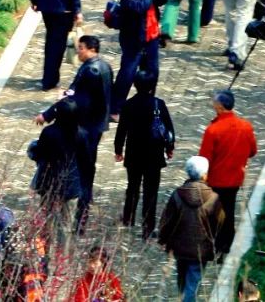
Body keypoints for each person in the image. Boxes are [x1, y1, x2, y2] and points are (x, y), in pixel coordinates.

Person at [39, 34, 112, 229]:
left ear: (91, 49)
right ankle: (82, 214)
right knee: (87, 169)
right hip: (96, 125)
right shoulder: (104, 67)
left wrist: (50, 112)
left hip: (87, 127)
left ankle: (80, 216)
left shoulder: (91, 71)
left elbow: (77, 98)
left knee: (83, 172)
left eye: (80, 48)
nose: (77, 51)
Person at [114, 77, 174, 237]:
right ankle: (148, 226)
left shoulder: (128, 105)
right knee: (151, 191)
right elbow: (168, 128)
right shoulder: (158, 104)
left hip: (134, 154)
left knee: (132, 187)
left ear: (135, 85)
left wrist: (118, 150)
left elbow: (121, 130)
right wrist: (169, 148)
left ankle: (128, 218)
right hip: (154, 155)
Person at [157, 156, 222, 302]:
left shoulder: (177, 195)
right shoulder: (213, 198)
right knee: (192, 284)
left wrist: (163, 240)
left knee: (182, 280)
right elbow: (220, 224)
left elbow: (167, 221)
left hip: (179, 247)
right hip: (201, 249)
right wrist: (219, 246)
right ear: (205, 174)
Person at [198, 92, 257, 254]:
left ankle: (214, 243)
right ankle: (227, 243)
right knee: (229, 209)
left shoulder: (213, 130)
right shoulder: (246, 126)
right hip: (236, 178)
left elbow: (204, 159)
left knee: (213, 212)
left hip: (216, 179)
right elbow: (252, 151)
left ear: (219, 107)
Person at [27, 96, 84, 238]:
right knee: (66, 224)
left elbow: (39, 153)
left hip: (49, 182)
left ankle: (46, 253)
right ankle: (63, 254)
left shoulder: (49, 133)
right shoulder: (81, 134)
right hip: (71, 184)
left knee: (47, 221)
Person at [113, 0, 167, 110]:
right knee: (128, 72)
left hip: (152, 36)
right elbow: (137, 7)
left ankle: (148, 103)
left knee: (152, 72)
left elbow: (162, 1)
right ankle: (116, 107)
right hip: (133, 37)